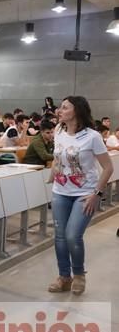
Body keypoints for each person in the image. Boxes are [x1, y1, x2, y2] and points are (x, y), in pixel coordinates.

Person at [48, 96, 113, 295]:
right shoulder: (58, 131)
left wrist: (97, 194)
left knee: (72, 236)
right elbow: (57, 158)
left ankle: (78, 275)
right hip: (60, 192)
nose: (60, 110)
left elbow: (108, 168)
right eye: (60, 107)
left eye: (65, 107)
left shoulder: (92, 136)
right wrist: (52, 175)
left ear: (76, 111)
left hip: (84, 194)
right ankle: (64, 277)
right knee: (59, 237)